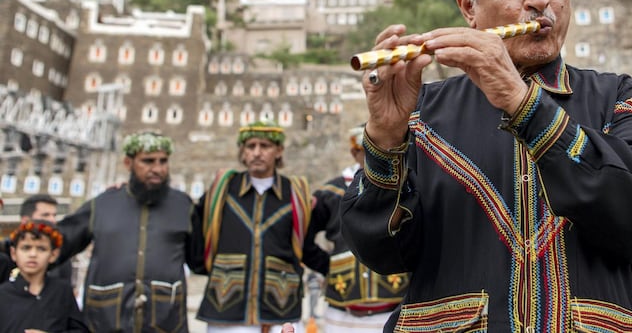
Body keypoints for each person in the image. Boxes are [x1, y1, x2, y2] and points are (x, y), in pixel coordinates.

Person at [339, 0, 632, 332]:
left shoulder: (620, 97)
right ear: (469, 7)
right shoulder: (422, 112)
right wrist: (384, 137)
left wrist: (521, 103)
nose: (539, 0)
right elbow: (380, 253)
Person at [56, 131, 202, 332]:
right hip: (106, 321)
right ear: (128, 163)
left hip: (165, 322)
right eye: (148, 161)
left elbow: (201, 258)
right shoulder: (102, 205)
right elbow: (57, 243)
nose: (157, 169)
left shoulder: (183, 206)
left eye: (163, 161)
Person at [194, 120, 330, 332]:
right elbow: (195, 235)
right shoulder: (222, 190)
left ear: (279, 151)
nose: (257, 153)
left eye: (264, 146)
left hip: (280, 308)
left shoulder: (295, 193)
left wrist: (335, 270)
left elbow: (306, 248)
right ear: (243, 151)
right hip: (227, 308)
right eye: (251, 146)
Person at [313, 124, 409, 332]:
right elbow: (303, 237)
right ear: (355, 152)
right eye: (368, 151)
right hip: (341, 308)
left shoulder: (405, 186)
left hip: (393, 305)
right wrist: (328, 266)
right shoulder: (329, 192)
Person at [0, 219, 88, 332]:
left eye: (41, 249)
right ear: (13, 253)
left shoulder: (62, 291)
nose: (33, 254)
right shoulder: (3, 295)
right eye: (26, 248)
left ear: (53, 255)